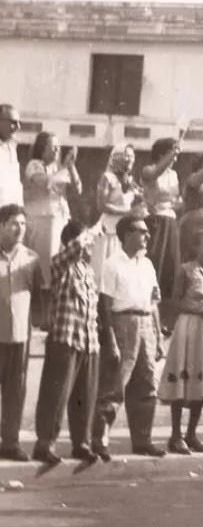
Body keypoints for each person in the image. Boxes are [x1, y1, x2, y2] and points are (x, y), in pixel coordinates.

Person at [93, 215, 166, 459]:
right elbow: (105, 304)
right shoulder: (112, 264)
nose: (147, 236)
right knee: (115, 384)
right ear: (126, 234)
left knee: (147, 385)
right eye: (141, 231)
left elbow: (154, 303)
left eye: (147, 232)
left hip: (146, 323)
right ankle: (100, 439)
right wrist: (110, 337)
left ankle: (142, 440)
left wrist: (157, 335)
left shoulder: (147, 265)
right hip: (123, 323)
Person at [32, 220, 102, 465]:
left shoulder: (89, 272)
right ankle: (45, 444)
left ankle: (81, 443)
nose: (92, 245)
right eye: (87, 241)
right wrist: (91, 230)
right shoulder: (61, 264)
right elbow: (72, 250)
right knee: (56, 393)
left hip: (88, 341)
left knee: (86, 395)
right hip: (65, 337)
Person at [158, 229, 203, 455]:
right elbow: (176, 302)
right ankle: (176, 435)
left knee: (202, 382)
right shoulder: (186, 270)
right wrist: (200, 310)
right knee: (183, 379)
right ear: (196, 247)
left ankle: (192, 433)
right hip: (189, 327)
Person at [0, 205, 42, 460]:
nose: (19, 229)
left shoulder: (32, 259)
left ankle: (10, 443)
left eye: (23, 224)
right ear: (1, 225)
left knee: (16, 392)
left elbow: (38, 296)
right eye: (14, 223)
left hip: (20, 337)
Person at [23, 132, 81, 289]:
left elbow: (78, 189)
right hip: (42, 223)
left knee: (58, 265)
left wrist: (71, 166)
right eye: (53, 147)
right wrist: (63, 169)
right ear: (42, 148)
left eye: (58, 147)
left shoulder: (57, 168)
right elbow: (45, 183)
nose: (57, 150)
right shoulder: (34, 165)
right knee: (45, 269)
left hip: (60, 221)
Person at [139, 137, 183, 309]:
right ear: (161, 154)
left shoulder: (174, 175)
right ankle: (147, 307)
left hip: (170, 220)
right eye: (171, 153)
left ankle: (163, 313)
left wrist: (178, 203)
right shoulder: (149, 170)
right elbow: (155, 174)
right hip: (154, 221)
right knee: (154, 263)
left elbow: (174, 198)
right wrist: (172, 153)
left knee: (170, 266)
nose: (175, 158)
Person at [92, 144, 145, 279]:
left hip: (125, 230)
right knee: (106, 268)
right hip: (109, 229)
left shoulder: (131, 180)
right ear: (117, 157)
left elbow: (142, 198)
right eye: (126, 155)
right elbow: (101, 206)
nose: (129, 159)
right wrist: (126, 212)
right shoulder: (107, 178)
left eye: (132, 156)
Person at [0, 104, 23, 207]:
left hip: (9, 212)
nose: (18, 127)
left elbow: (16, 184)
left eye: (19, 122)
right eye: (13, 122)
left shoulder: (12, 148)